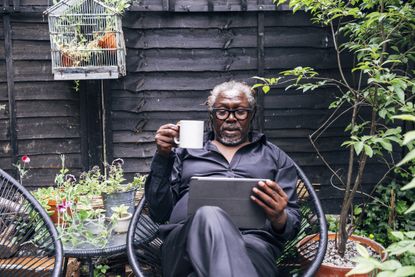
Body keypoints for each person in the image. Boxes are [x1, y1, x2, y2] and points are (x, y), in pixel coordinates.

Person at [144, 81, 301, 277]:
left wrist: (280, 217)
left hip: (253, 244)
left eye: (240, 111)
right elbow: (159, 212)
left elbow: (291, 225)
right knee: (209, 215)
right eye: (222, 111)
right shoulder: (185, 152)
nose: (231, 119)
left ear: (251, 114)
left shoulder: (275, 157)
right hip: (184, 243)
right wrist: (162, 157)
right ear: (211, 116)